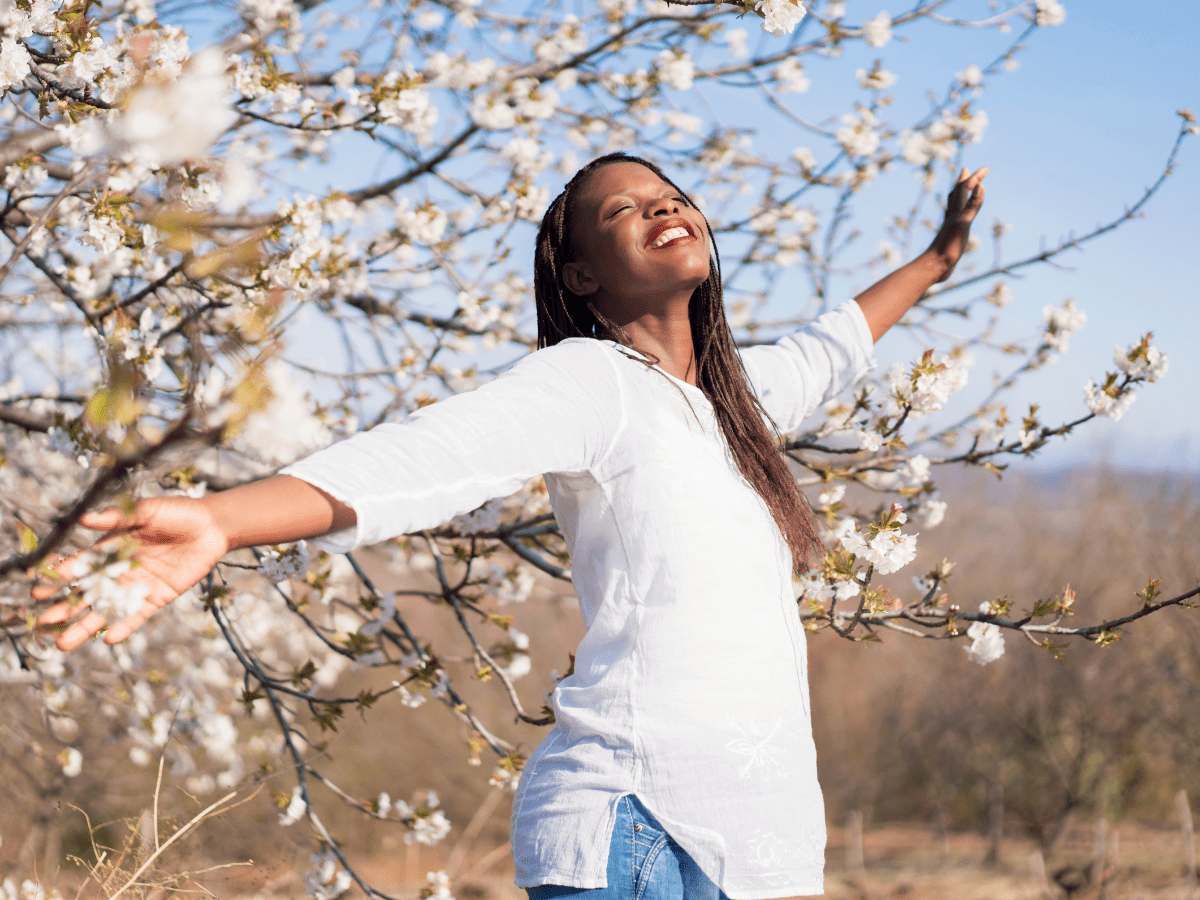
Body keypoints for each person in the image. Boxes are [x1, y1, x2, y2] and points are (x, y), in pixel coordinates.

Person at [34, 153, 986, 900]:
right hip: (634, 822)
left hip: (768, 828)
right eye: (623, 210)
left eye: (669, 195)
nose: (661, 209)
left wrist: (938, 260)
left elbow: (838, 340)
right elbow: (422, 457)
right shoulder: (590, 381)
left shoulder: (745, 400)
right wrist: (219, 519)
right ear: (580, 273)